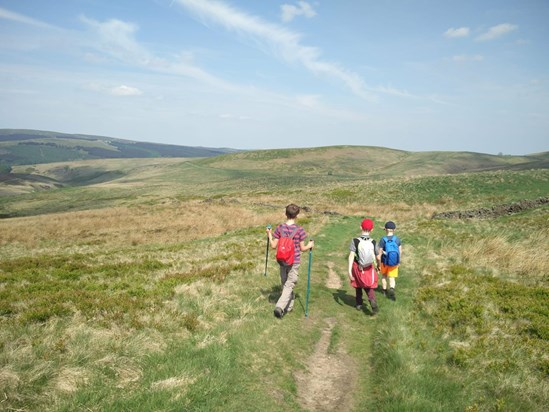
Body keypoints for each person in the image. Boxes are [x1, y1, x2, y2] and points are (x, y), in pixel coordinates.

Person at [266, 204, 314, 319]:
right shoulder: (300, 230)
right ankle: (280, 307)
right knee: (289, 284)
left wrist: (269, 233)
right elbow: (303, 248)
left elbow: (273, 245)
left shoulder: (279, 228)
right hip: (294, 261)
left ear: (285, 214)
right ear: (297, 215)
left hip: (282, 260)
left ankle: (289, 307)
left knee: (285, 283)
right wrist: (310, 245)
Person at [348, 218, 379, 315]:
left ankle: (359, 303)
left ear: (361, 227)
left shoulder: (355, 241)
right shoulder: (374, 242)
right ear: (372, 230)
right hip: (369, 268)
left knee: (358, 285)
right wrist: (378, 265)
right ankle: (372, 300)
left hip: (357, 267)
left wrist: (349, 270)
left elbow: (351, 256)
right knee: (368, 286)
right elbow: (378, 257)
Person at [378, 221, 402, 301]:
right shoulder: (397, 239)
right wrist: (398, 261)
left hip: (384, 262)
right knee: (392, 278)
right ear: (394, 229)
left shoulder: (382, 240)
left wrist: (378, 263)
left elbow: (380, 253)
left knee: (384, 276)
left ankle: (384, 291)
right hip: (394, 262)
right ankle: (391, 288)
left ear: (385, 229)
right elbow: (400, 251)